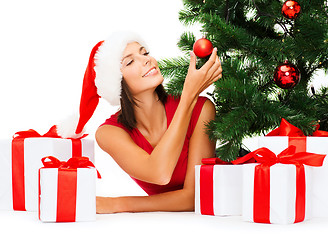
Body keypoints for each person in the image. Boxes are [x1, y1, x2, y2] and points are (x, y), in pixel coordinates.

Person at [56, 31, 222, 213]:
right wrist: (188, 98)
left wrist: (117, 204)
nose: (146, 60)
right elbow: (159, 173)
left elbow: (194, 196)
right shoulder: (109, 133)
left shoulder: (201, 108)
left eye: (144, 53)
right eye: (130, 61)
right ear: (116, 82)